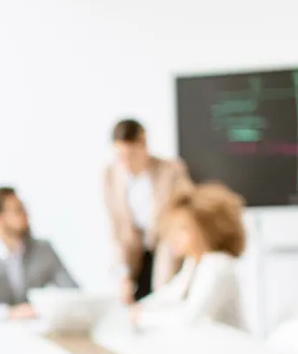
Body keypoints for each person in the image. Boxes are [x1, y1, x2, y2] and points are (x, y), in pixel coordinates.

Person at [0, 186, 78, 320]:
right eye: (18, 211)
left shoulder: (43, 250)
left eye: (24, 209)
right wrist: (6, 313)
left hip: (35, 331)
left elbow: (74, 294)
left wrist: (48, 308)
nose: (26, 216)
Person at [130, 182, 246, 329]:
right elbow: (169, 295)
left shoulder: (217, 265)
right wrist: (139, 308)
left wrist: (142, 318)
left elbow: (190, 318)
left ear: (206, 230)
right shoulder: (193, 263)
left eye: (183, 229)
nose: (173, 237)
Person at [103, 119, 193, 303]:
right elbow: (116, 229)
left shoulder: (171, 170)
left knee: (164, 298)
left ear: (144, 145)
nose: (126, 162)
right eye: (121, 156)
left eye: (132, 154)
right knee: (128, 297)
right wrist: (122, 275)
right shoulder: (109, 176)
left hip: (166, 246)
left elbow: (187, 213)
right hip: (133, 251)